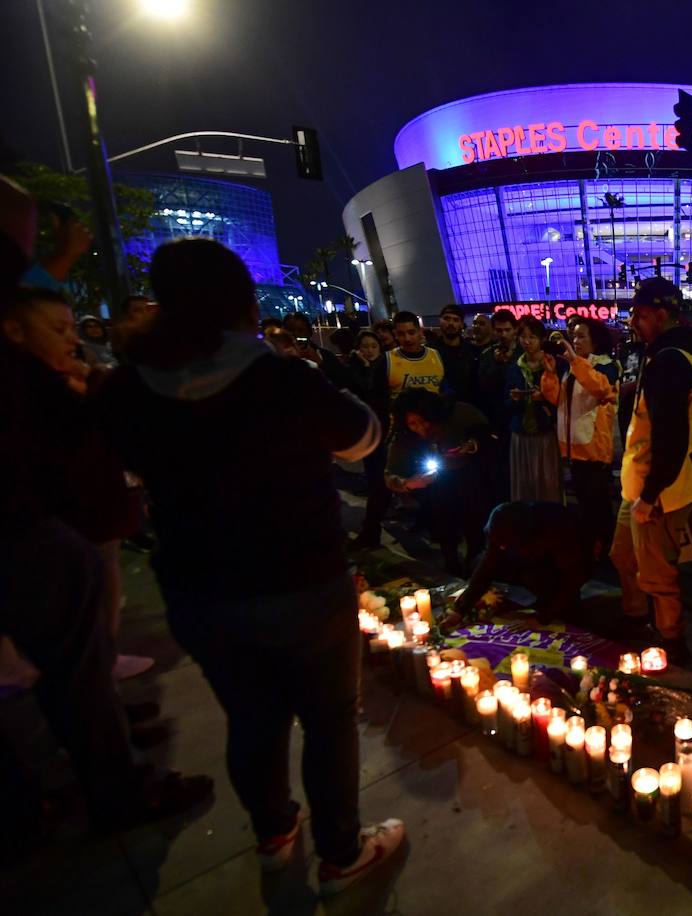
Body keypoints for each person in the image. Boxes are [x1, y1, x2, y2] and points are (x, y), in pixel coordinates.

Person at [98, 238, 404, 893]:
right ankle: (341, 854)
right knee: (327, 720)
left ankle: (274, 833)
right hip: (303, 582)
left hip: (200, 589)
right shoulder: (278, 376)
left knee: (251, 719)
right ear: (243, 303)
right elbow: (362, 436)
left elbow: (111, 465)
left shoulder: (127, 387)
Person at [0, 177, 211, 839]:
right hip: (21, 529)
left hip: (44, 522)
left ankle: (97, 746)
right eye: (58, 329)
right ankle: (113, 786)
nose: (73, 339)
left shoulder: (40, 373)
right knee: (73, 657)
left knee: (80, 654)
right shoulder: (28, 379)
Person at [3, 287, 152, 680]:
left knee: (98, 583)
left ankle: (102, 676)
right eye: (59, 329)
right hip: (70, 515)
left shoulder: (59, 382)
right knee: (75, 614)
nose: (72, 340)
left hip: (94, 510)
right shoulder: (31, 392)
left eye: (71, 328)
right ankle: (95, 689)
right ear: (14, 332)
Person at [610, 278, 692, 659]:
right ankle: (635, 617)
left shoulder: (669, 361)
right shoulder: (662, 354)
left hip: (658, 491)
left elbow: (671, 439)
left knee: (658, 575)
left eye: (640, 314)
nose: (633, 321)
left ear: (662, 315)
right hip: (640, 485)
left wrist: (650, 496)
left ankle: (671, 641)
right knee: (623, 554)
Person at [354, 310, 447, 549]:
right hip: (398, 437)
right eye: (401, 334)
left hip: (428, 438)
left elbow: (447, 395)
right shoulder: (387, 361)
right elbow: (373, 400)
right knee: (382, 488)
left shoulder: (436, 357)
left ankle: (437, 531)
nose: (407, 338)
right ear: (395, 335)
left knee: (435, 485)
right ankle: (370, 533)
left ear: (420, 332)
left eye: (411, 332)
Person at [384, 388, 491, 575]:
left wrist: (472, 446)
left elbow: (488, 434)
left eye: (424, 421)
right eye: (413, 423)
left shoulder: (459, 413)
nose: (421, 428)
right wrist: (407, 483)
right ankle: (451, 565)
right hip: (436, 486)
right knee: (444, 526)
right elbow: (390, 474)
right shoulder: (404, 437)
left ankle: (477, 564)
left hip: (471, 477)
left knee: (475, 525)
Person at [445, 501, 597, 627]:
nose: (501, 547)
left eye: (505, 544)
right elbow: (488, 564)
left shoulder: (557, 530)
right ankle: (547, 601)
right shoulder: (501, 524)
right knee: (479, 562)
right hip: (534, 553)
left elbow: (574, 577)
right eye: (500, 544)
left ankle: (564, 608)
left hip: (579, 561)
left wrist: (542, 618)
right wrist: (460, 610)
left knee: (539, 579)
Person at [540, 317, 620, 555]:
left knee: (599, 506)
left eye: (582, 336)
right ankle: (591, 545)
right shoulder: (575, 367)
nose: (575, 341)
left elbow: (602, 388)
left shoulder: (606, 365)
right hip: (574, 448)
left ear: (596, 339)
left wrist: (575, 362)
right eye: (574, 336)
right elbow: (557, 400)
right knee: (585, 504)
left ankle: (606, 548)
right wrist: (550, 373)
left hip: (594, 450)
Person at [507, 316, 562, 502]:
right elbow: (503, 402)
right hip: (520, 433)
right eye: (523, 336)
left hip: (544, 432)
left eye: (532, 337)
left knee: (547, 483)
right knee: (524, 483)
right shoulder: (514, 367)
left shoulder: (554, 365)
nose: (527, 341)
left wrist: (544, 398)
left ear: (542, 339)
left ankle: (548, 523)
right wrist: (514, 399)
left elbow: (561, 401)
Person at [478, 309, 518, 501]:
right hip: (497, 419)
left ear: (514, 330)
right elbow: (483, 385)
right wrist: (496, 365)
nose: (503, 334)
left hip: (519, 418)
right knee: (501, 469)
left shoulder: (522, 352)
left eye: (507, 330)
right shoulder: (488, 355)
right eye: (499, 330)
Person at [284, 311, 350, 388]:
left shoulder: (326, 356)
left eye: (301, 330)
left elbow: (342, 384)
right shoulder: (279, 359)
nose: (295, 335)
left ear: (309, 332)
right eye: (290, 331)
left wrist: (320, 363)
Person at [433, 304, 481, 403]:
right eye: (446, 319)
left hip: (467, 407)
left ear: (461, 324)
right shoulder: (430, 351)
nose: (451, 323)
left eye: (456, 320)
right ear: (440, 321)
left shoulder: (473, 351)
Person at [345, 329, 383, 398]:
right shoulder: (352, 366)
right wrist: (367, 365)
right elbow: (366, 389)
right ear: (358, 349)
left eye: (374, 346)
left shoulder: (385, 363)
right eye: (365, 347)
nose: (370, 350)